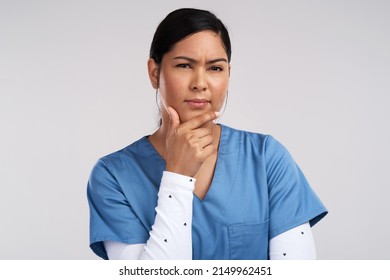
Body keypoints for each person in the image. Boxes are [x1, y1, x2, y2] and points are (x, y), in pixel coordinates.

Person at [87, 8, 327, 260]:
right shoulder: (112, 175)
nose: (200, 83)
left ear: (228, 75)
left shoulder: (266, 158)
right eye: (184, 65)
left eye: (215, 69)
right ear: (154, 72)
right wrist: (177, 177)